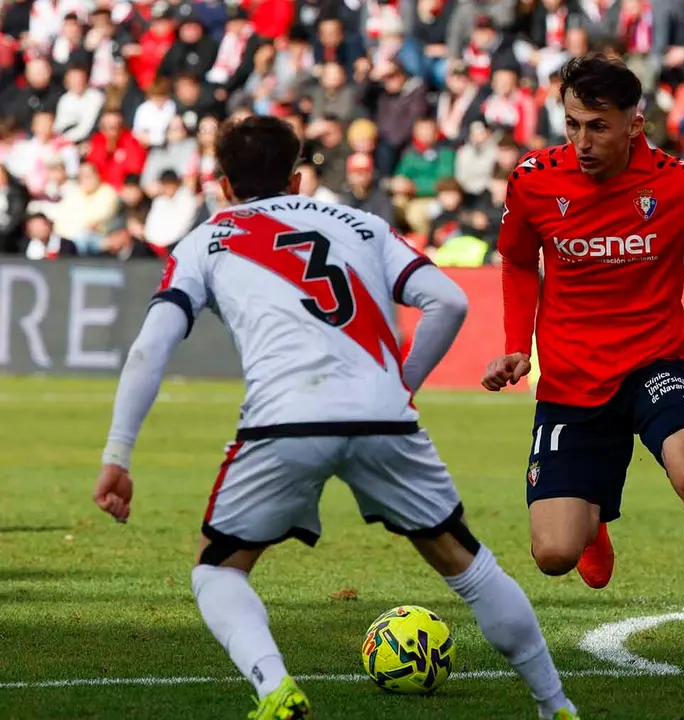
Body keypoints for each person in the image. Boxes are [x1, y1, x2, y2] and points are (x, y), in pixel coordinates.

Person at [91, 116, 581, 720]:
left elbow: (149, 348)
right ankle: (556, 706)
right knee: (469, 566)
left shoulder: (205, 240)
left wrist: (117, 455)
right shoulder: (362, 223)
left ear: (222, 186)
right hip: (383, 417)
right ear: (297, 179)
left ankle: (276, 690)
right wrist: (400, 385)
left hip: (282, 423)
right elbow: (448, 301)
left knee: (218, 572)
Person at [481, 54, 684, 703]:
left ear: (635, 122)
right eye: (571, 124)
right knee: (553, 554)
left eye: (596, 127)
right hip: (571, 383)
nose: (581, 143)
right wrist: (516, 347)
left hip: (653, 365)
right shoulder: (533, 181)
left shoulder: (678, 183)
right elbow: (519, 264)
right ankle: (593, 514)